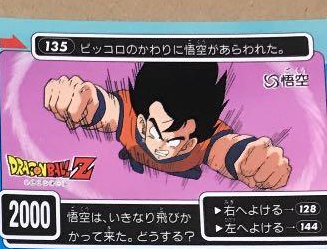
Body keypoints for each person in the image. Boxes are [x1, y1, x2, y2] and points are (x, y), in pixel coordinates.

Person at [43, 60, 291, 189]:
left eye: (174, 141)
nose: (161, 145)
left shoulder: (205, 138)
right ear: (142, 123)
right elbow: (104, 108)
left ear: (191, 142)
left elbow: (228, 150)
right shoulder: (130, 112)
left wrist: (254, 161)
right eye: (154, 132)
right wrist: (77, 100)